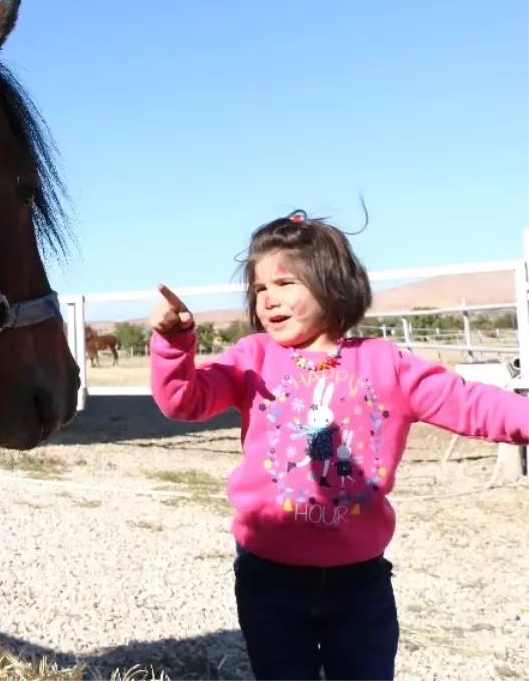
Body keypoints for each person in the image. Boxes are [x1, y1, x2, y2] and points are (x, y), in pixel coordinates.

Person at [147, 209, 529, 681]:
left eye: (285, 283)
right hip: (268, 578)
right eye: (260, 289)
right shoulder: (253, 358)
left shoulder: (386, 364)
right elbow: (184, 401)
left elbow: (471, 404)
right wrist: (173, 344)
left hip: (359, 585)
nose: (268, 299)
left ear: (332, 282)